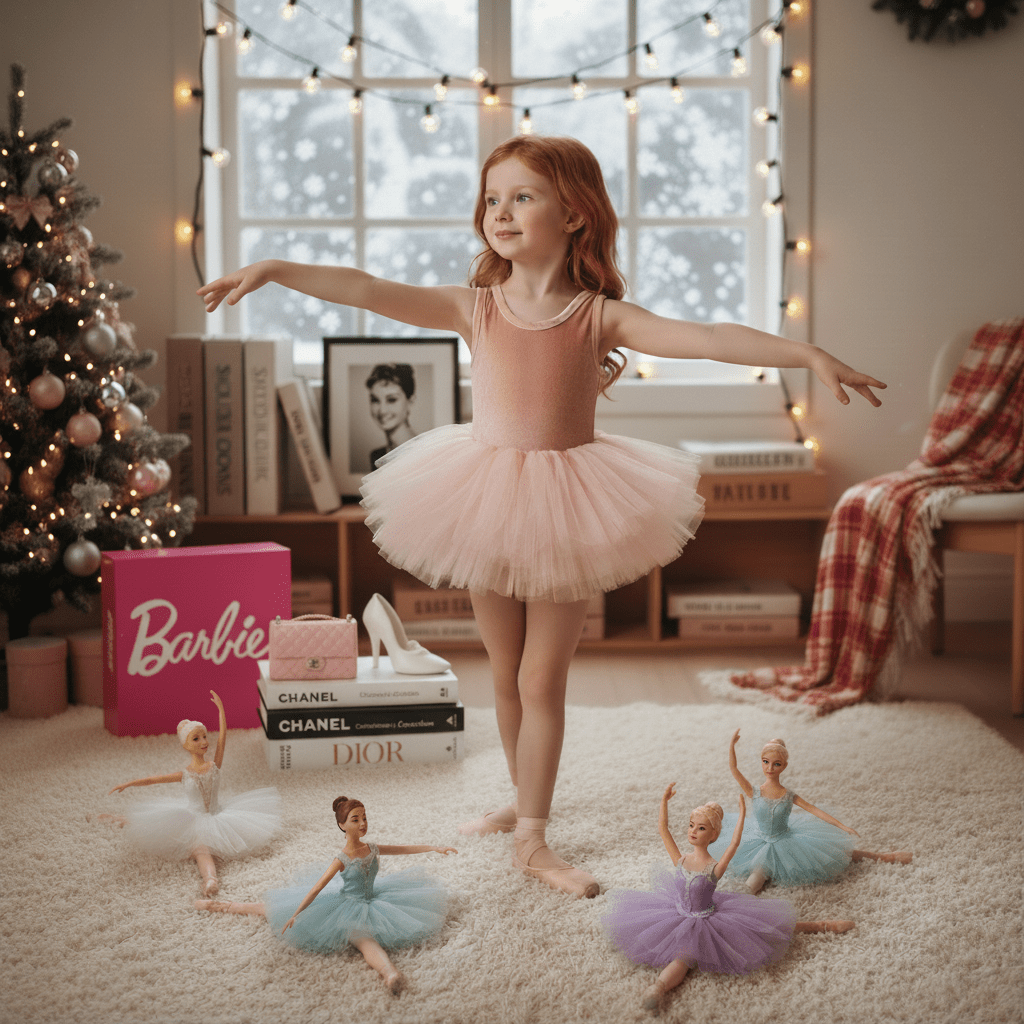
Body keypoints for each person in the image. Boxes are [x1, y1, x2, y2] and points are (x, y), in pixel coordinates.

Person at [198, 134, 886, 901]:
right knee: (503, 672)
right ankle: (522, 801)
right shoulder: (474, 306)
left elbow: (709, 338)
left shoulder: (598, 316)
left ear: (575, 215)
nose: (501, 212)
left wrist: (807, 354)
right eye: (492, 198)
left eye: (522, 197)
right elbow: (364, 287)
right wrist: (275, 269)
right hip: (484, 496)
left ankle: (532, 836)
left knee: (540, 676)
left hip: (568, 507)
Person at [603, 785, 854, 1013]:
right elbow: (663, 829)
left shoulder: (714, 867)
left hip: (707, 919)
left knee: (757, 928)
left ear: (713, 835)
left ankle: (820, 925)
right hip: (674, 912)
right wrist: (664, 801)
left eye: (701, 828)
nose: (693, 831)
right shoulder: (680, 859)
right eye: (691, 825)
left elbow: (733, 844)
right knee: (686, 951)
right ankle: (657, 989)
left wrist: (742, 814)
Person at [195, 796, 456, 996]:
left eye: (364, 818)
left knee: (365, 941)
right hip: (346, 906)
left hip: (377, 898)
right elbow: (316, 888)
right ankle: (222, 905)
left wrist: (434, 847)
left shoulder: (372, 848)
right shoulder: (342, 858)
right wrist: (297, 913)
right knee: (276, 910)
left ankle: (390, 973)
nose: (363, 824)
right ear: (342, 825)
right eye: (355, 819)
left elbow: (403, 849)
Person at [107, 690, 282, 896]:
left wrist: (221, 710)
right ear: (186, 745)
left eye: (204, 736)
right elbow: (153, 779)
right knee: (201, 849)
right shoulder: (184, 774)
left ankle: (210, 880)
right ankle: (210, 880)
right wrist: (128, 784)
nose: (203, 742)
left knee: (196, 844)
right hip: (193, 817)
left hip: (218, 814)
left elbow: (223, 738)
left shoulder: (214, 765)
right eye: (196, 739)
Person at [710, 731, 912, 892]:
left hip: (786, 841)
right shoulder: (754, 792)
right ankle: (731, 907)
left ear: (784, 766)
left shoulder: (788, 795)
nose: (770, 768)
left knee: (838, 853)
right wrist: (731, 746)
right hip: (756, 841)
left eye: (776, 764)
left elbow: (814, 810)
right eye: (765, 762)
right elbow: (734, 769)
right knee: (754, 881)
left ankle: (883, 856)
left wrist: (842, 826)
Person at [366, 362, 418, 467]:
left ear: (410, 401)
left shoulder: (424, 451)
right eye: (375, 400)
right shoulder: (377, 456)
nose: (382, 411)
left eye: (391, 400)